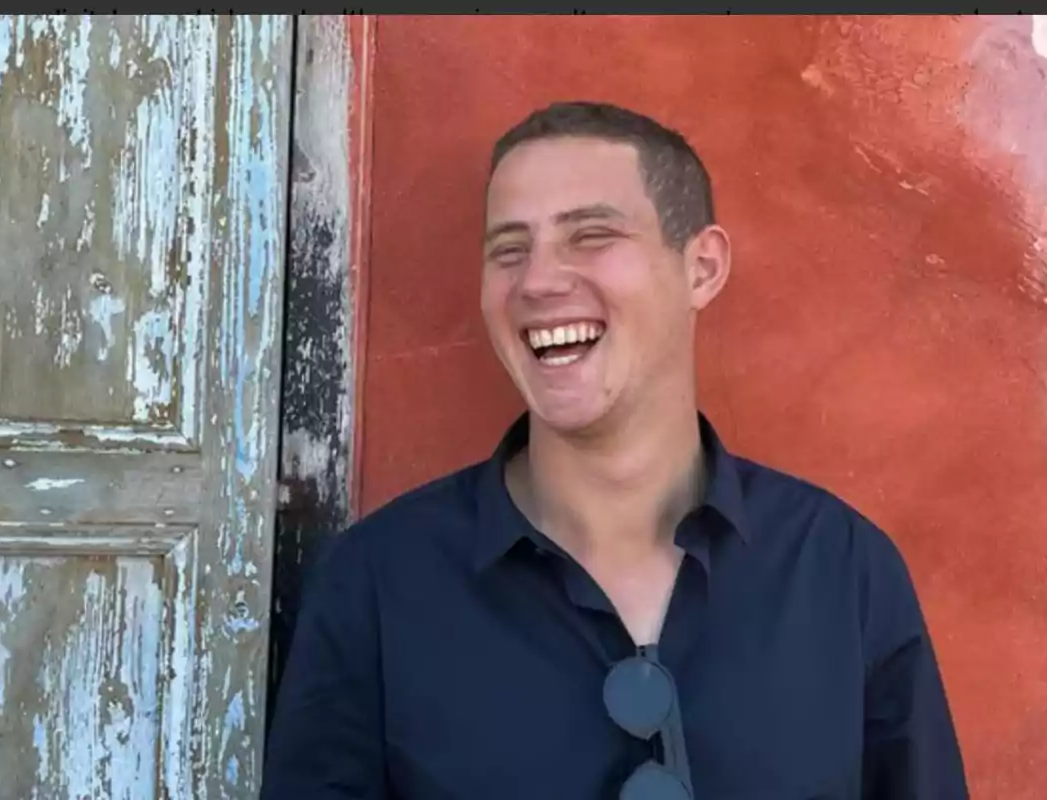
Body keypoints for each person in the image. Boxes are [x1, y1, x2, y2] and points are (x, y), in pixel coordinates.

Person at [260, 101, 969, 799]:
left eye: (591, 236)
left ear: (702, 267)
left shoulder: (843, 571)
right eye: (509, 250)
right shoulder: (377, 585)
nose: (536, 280)